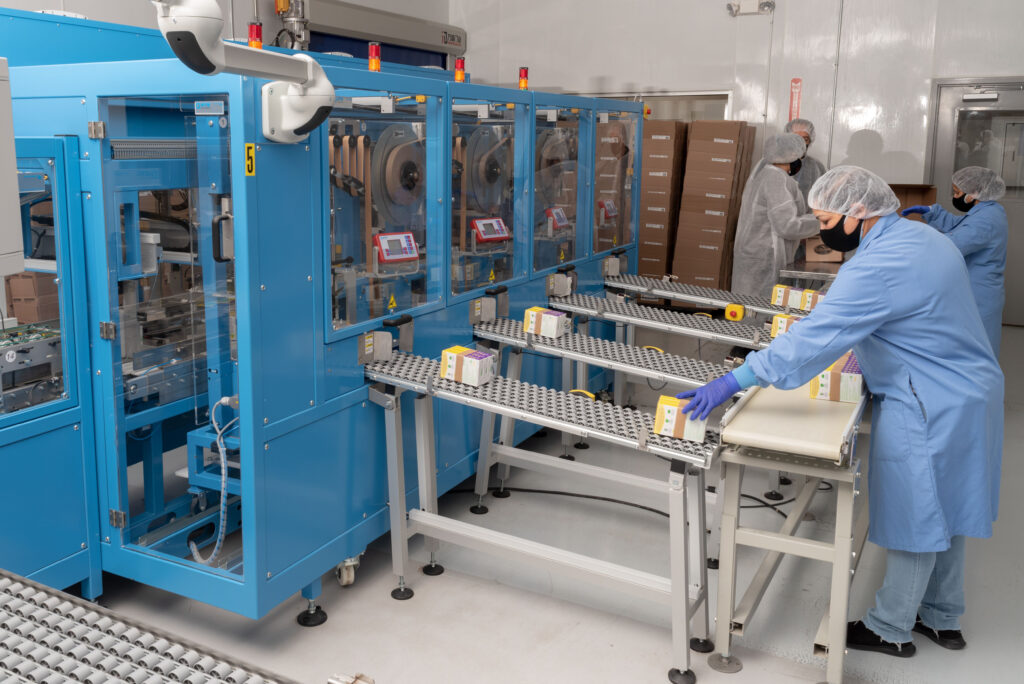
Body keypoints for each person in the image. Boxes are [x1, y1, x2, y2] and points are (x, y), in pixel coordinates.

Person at [681, 166, 1004, 658]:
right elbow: (904, 316)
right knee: (948, 508)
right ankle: (943, 618)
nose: (820, 228)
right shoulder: (922, 237)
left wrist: (735, 379)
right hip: (968, 389)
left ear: (858, 212)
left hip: (928, 401)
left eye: (825, 219)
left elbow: (814, 339)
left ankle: (890, 628)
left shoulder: (878, 265)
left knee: (918, 514)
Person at [902, 166, 1007, 357]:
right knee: (968, 347)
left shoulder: (987, 219)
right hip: (976, 289)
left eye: (957, 192)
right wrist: (932, 212)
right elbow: (960, 226)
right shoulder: (987, 210)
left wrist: (912, 239)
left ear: (974, 193)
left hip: (979, 294)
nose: (955, 196)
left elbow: (952, 244)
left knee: (976, 351)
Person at [731, 133, 820, 297]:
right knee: (761, 305)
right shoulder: (776, 179)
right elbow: (787, 226)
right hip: (765, 257)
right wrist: (822, 221)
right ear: (791, 155)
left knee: (747, 305)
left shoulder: (763, 174)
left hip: (753, 253)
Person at [784, 118, 827, 201]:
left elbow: (823, 196)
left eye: (805, 139)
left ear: (810, 141)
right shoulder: (771, 164)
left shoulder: (817, 167)